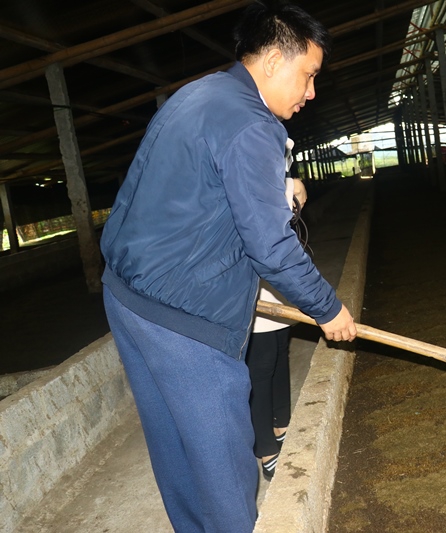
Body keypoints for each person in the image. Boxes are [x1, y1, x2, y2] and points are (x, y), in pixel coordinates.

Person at [99, 2, 356, 532]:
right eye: (308, 76)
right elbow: (271, 248)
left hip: (128, 297)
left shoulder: (200, 94)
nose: (311, 93)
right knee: (223, 462)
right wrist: (328, 309)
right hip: (184, 315)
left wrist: (277, 189)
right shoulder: (252, 125)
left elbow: (195, 186)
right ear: (271, 63)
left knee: (176, 447)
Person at [247, 142, 306, 481]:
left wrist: (292, 186)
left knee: (279, 352)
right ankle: (266, 447)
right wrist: (290, 187)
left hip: (278, 279)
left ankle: (281, 423)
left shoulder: (273, 137)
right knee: (260, 367)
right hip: (252, 283)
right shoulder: (238, 138)